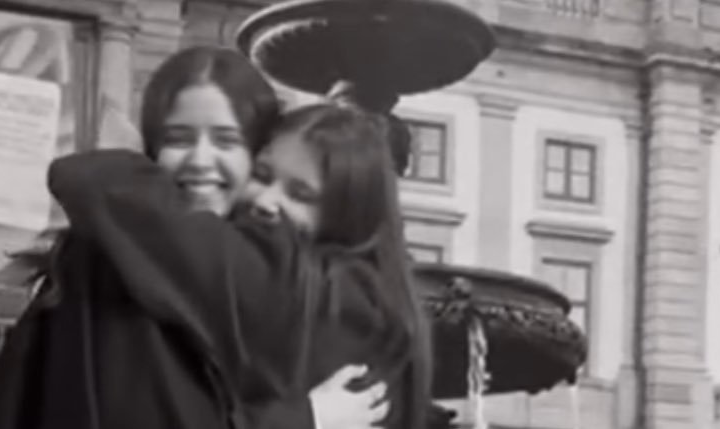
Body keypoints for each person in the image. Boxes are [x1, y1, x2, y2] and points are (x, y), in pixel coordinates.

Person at [0, 46, 391, 429]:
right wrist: (306, 420)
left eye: (226, 140)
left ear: (255, 155)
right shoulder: (124, 266)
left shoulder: (241, 272)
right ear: (152, 151)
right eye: (178, 139)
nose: (201, 160)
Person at [44, 102, 433, 429]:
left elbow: (89, 180)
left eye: (301, 194)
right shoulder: (379, 304)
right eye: (261, 175)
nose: (266, 201)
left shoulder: (308, 291)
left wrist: (126, 154)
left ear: (347, 217)